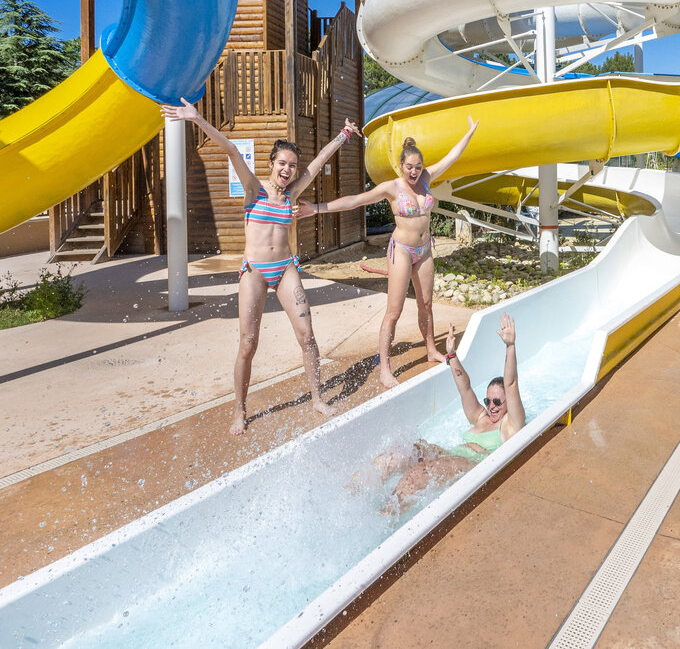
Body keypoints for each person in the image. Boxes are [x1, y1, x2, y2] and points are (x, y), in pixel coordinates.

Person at [160, 98, 361, 435]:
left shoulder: (292, 195)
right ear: (271, 164)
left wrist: (344, 134)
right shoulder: (254, 189)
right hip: (254, 271)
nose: (288, 170)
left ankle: (316, 398)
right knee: (248, 343)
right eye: (282, 163)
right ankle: (239, 410)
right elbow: (232, 152)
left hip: (285, 268)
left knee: (307, 336)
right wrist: (197, 119)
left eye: (293, 166)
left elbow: (321, 160)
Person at [298, 120, 478, 388]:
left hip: (425, 249)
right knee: (394, 310)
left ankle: (430, 349)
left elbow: (452, 157)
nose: (414, 172)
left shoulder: (427, 178)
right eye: (409, 167)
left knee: (426, 303)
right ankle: (385, 367)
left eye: (418, 167)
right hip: (402, 250)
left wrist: (470, 133)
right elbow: (355, 200)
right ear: (401, 166)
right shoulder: (391, 188)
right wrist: (317, 208)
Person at [373, 314, 526, 513]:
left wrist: (510, 346)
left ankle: (385, 518)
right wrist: (451, 355)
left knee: (416, 475)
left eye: (497, 402)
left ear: (508, 402)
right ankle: (354, 494)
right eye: (488, 401)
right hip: (451, 456)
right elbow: (466, 389)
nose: (492, 406)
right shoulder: (481, 417)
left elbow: (511, 383)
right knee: (400, 454)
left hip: (472, 465)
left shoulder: (510, 425)